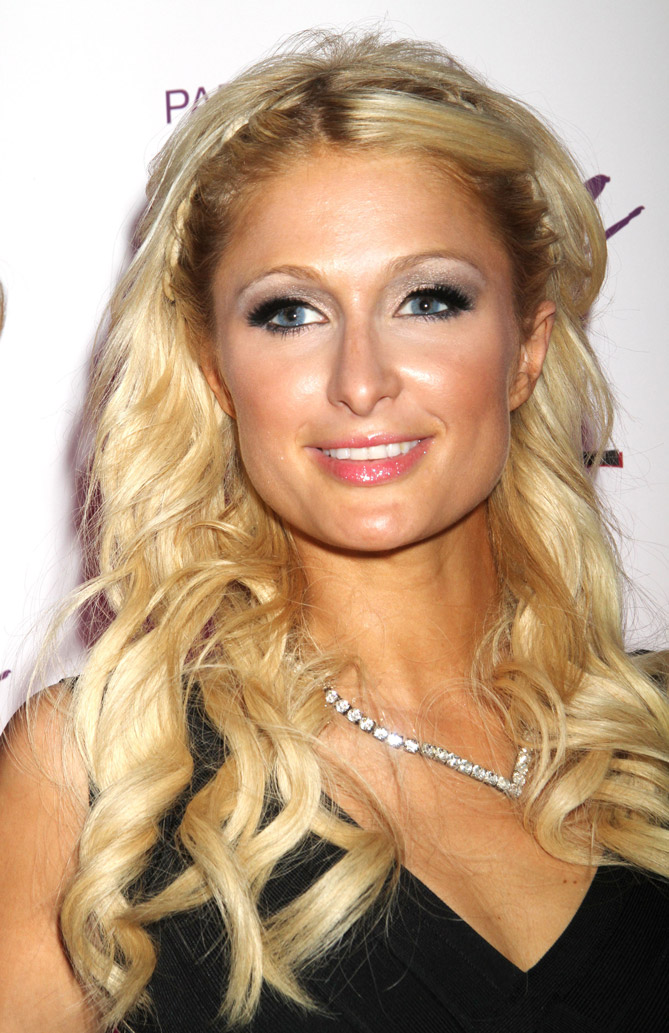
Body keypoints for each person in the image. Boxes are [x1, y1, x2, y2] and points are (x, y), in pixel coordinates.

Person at [0, 30, 667, 1033]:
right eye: (289, 313)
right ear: (216, 370)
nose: (361, 381)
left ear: (526, 348)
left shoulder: (650, 741)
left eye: (428, 299)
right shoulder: (97, 776)